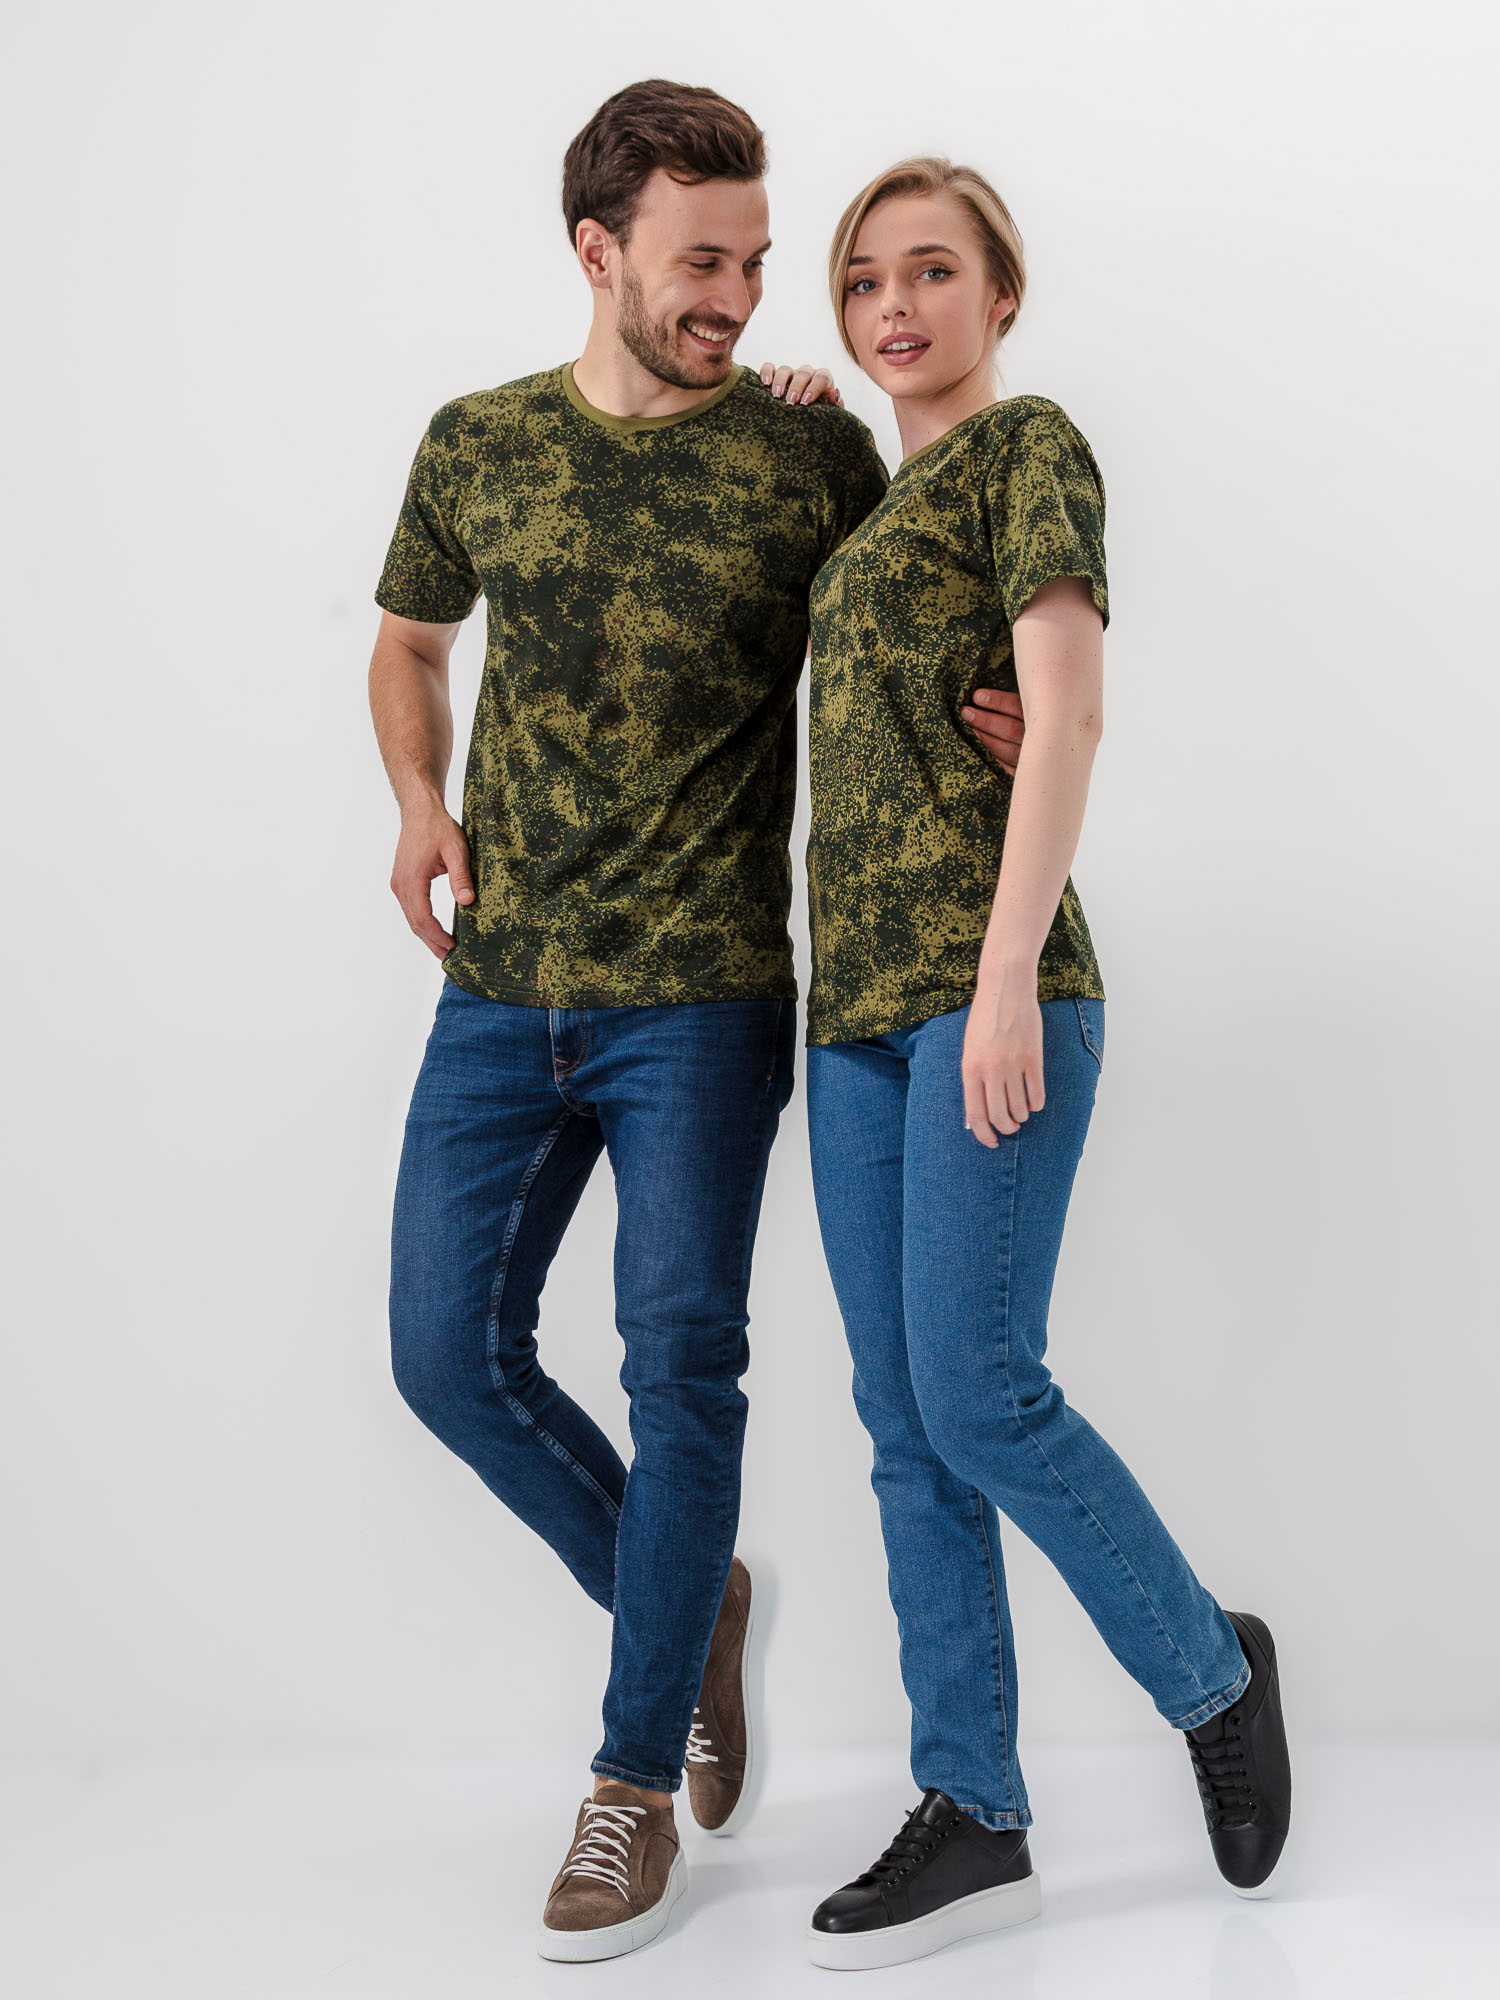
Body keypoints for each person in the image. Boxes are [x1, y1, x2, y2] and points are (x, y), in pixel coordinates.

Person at [368, 84, 1026, 1964]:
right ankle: (694, 1603)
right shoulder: (480, 442)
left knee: (681, 1371)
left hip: (708, 1005)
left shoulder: (812, 457)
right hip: (502, 990)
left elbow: (925, 621)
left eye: (754, 260)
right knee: (444, 1357)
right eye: (702, 263)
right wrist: (417, 798)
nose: (740, 297)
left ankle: (631, 1781)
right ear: (599, 252)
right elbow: (406, 641)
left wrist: (1008, 708)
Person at [800, 157, 1292, 1972]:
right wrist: (792, 415)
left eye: (933, 271)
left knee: (984, 1393)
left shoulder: (1030, 451)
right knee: (905, 1424)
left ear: (1001, 296)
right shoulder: (867, 515)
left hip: (985, 995)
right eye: (865, 282)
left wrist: (1005, 975)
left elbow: (1067, 710)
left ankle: (1213, 1675)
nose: (897, 306)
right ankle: (975, 1808)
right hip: (849, 1020)